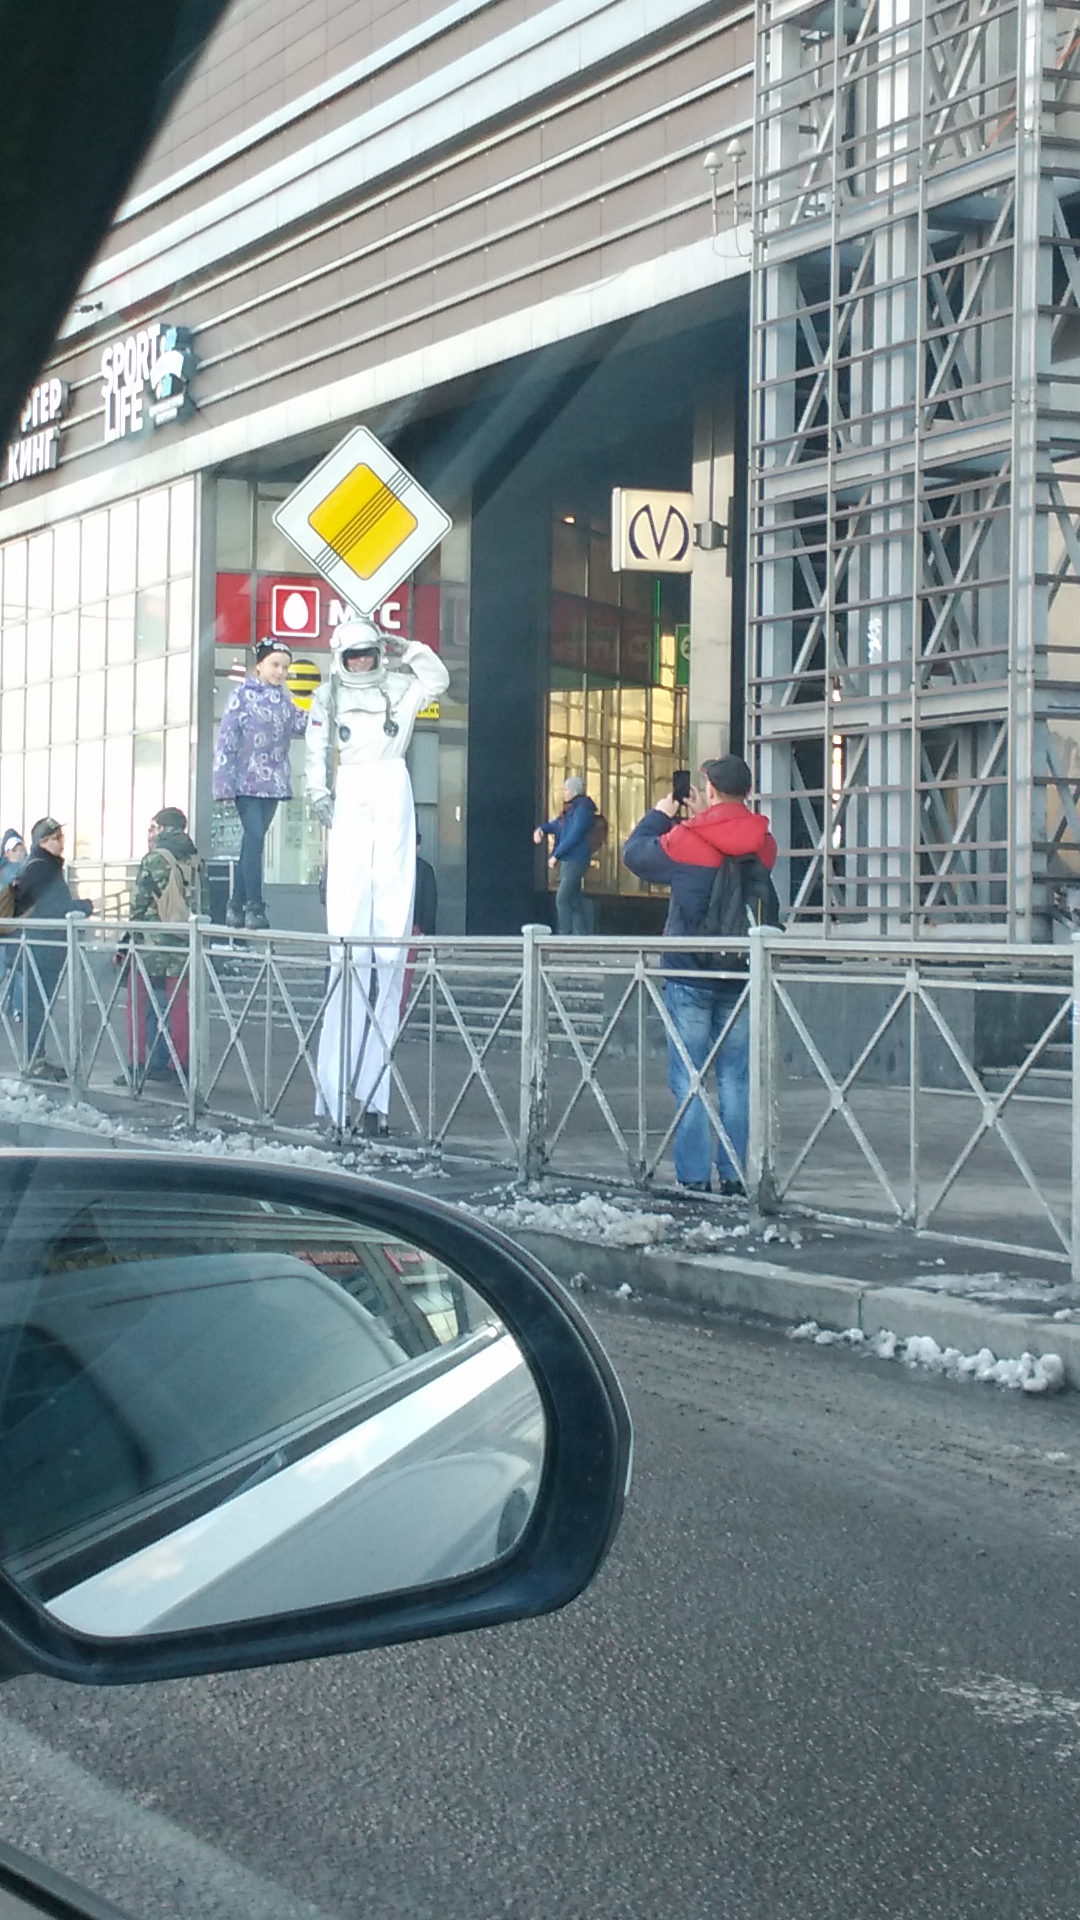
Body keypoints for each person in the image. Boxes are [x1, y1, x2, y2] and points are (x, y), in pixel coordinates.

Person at [306, 615, 449, 1131]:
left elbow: (437, 680)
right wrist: (318, 790)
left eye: (368, 654)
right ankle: (332, 1092)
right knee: (346, 945)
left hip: (391, 783)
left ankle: (374, 1097)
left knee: (388, 946)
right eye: (354, 656)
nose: (362, 663)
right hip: (352, 788)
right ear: (340, 659)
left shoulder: (399, 687)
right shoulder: (328, 696)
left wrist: (407, 645)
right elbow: (316, 748)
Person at [622, 754, 778, 1196]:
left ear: (709, 789)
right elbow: (730, 850)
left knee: (689, 1078)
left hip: (690, 971)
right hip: (741, 973)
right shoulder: (764, 841)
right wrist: (704, 821)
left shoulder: (686, 837)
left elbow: (635, 855)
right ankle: (733, 1178)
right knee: (735, 1079)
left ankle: (693, 1180)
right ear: (746, 792)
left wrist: (661, 815)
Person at [212, 638, 308, 930]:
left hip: (274, 784)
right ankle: (254, 905)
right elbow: (226, 739)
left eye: (285, 667)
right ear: (259, 666)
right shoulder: (241, 696)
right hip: (246, 782)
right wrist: (222, 783)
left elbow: (301, 724)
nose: (280, 672)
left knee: (251, 845)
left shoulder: (285, 701)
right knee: (255, 840)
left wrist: (328, 715)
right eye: (275, 665)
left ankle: (235, 905)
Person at [124, 807, 210, 1082]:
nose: (151, 834)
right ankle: (180, 1065)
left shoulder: (154, 859)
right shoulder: (195, 858)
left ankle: (137, 1063)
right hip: (184, 941)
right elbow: (204, 902)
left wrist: (130, 936)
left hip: (151, 944)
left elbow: (137, 905)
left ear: (162, 828)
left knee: (137, 1002)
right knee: (180, 1007)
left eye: (153, 828)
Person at [12, 819, 93, 1082]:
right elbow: (53, 908)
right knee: (37, 1005)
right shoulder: (41, 869)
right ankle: (35, 1062)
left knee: (39, 1004)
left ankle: (37, 1059)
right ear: (43, 842)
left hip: (42, 946)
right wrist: (83, 907)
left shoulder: (44, 866)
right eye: (57, 836)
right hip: (39, 947)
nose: (62, 840)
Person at [534, 776, 598, 934]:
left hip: (576, 860)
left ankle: (564, 934)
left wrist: (556, 855)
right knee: (573, 899)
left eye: (566, 789)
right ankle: (580, 935)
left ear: (575, 791)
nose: (563, 792)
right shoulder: (571, 810)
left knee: (562, 898)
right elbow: (556, 825)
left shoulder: (583, 810)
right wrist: (541, 829)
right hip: (569, 860)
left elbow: (575, 835)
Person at [0, 830, 27, 1022]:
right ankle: (17, 1009)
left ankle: (17, 1008)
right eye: (14, 850)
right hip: (12, 929)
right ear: (6, 853)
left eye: (21, 849)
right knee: (16, 970)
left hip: (12, 929)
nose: (19, 853)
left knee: (18, 971)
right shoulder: (16, 872)